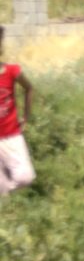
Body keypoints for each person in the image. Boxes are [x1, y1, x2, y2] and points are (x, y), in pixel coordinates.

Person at [0, 25, 35, 195]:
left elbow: (29, 88)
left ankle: (6, 193)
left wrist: (26, 117)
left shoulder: (12, 71)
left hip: (12, 134)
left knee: (25, 177)